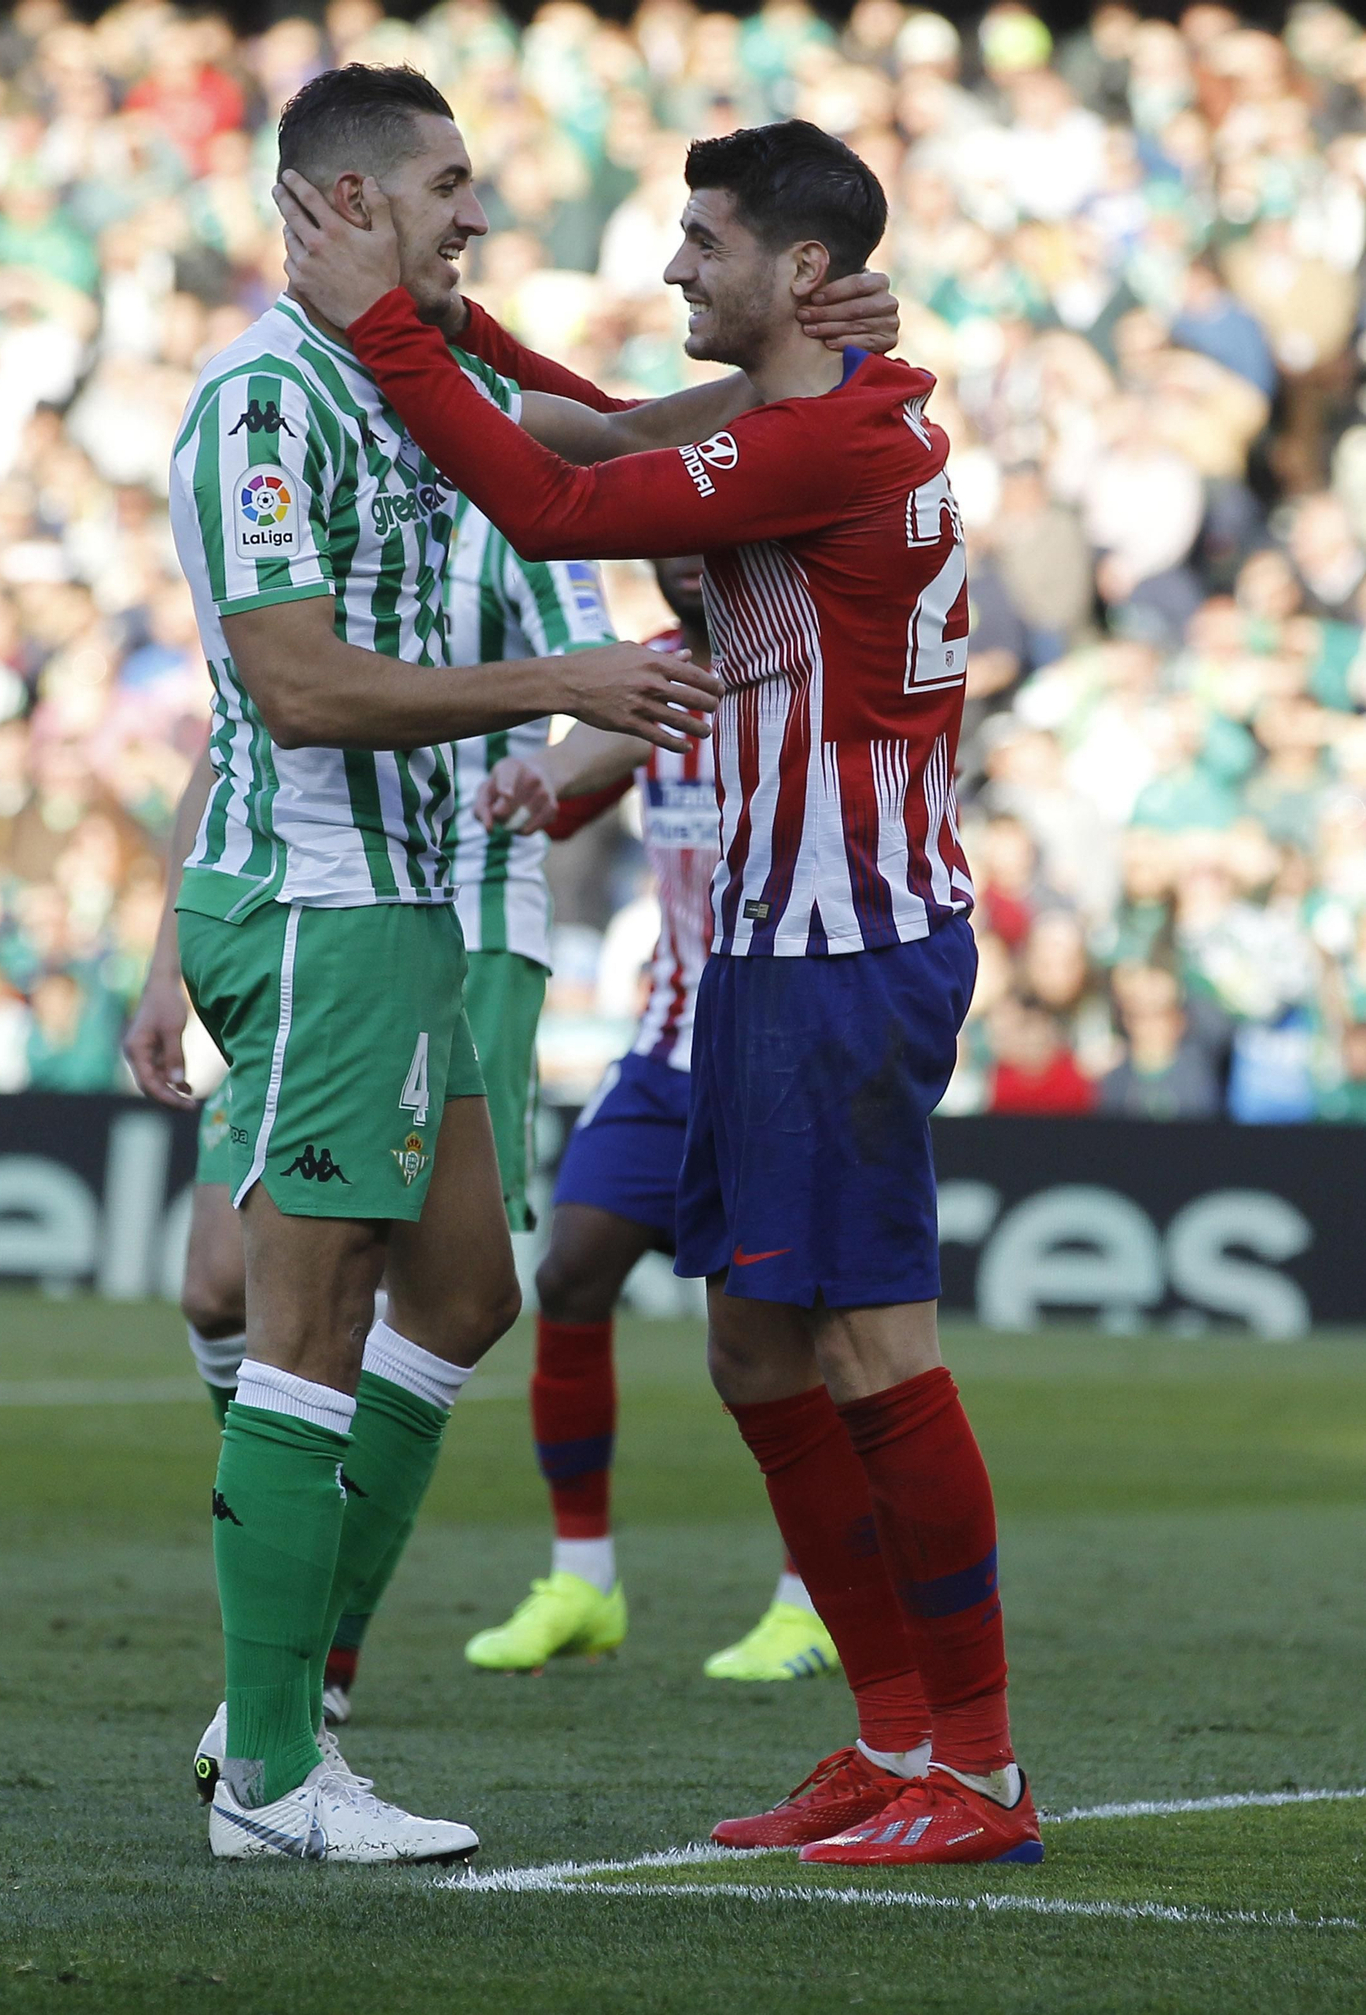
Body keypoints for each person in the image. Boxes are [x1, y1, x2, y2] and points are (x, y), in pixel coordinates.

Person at [278, 114, 1039, 1865]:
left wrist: (393, 330)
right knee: (757, 1346)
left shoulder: (829, 440)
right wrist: (443, 323)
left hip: (846, 951)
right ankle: (892, 1734)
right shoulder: (807, 420)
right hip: (771, 954)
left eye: (701, 242)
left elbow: (557, 491)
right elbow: (606, 429)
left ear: (797, 274)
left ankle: (980, 1774)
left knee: (864, 1342)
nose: (672, 267)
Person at [161, 62, 725, 1867]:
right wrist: (557, 684)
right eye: (447, 186)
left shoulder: (421, 376)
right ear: (341, 204)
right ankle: (270, 1773)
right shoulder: (262, 402)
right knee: (286, 1316)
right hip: (322, 908)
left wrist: (814, 369)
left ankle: (290, 1695)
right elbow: (297, 686)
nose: (477, 215)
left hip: (402, 910)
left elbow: (620, 440)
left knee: (466, 1291)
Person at [125, 495, 626, 1731]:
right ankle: (284, 1627)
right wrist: (162, 959)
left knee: (429, 1293)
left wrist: (548, 769)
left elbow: (623, 690)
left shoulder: (508, 505)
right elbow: (238, 736)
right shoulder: (307, 486)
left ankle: (307, 1669)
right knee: (217, 1287)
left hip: (468, 920)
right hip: (303, 917)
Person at [462, 553, 836, 1686]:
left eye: (698, 539)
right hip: (664, 1043)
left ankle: (807, 1595)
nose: (678, 560)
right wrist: (539, 779)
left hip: (783, 1051)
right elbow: (569, 804)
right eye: (662, 543)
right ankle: (584, 1579)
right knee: (571, 1271)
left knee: (780, 1333)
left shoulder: (809, 662)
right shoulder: (651, 673)